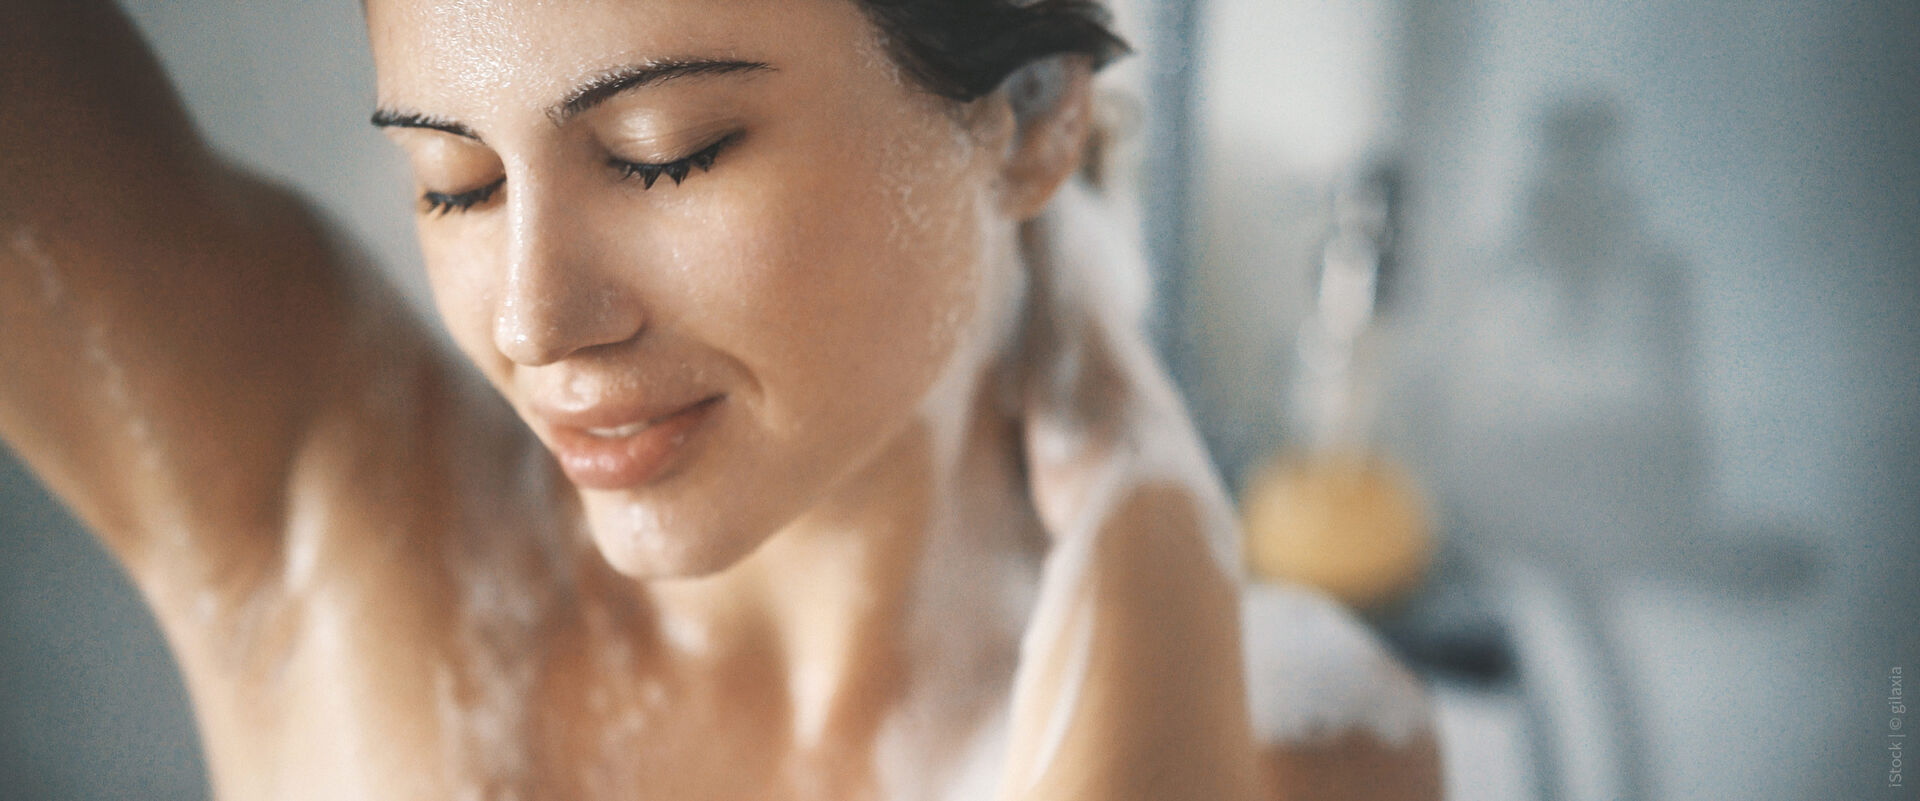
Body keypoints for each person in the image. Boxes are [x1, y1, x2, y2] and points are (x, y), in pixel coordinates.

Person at [0, 0, 1441, 798]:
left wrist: (1149, 515)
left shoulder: (1312, 747)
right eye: (456, 182)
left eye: (663, 153)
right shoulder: (313, 495)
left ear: (1033, 119)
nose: (531, 317)